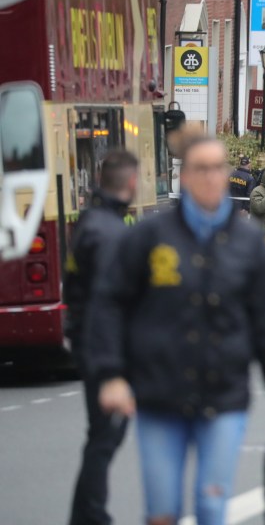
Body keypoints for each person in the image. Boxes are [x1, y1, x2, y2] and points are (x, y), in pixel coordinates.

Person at [86, 137, 265, 525]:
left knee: (210, 504)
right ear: (184, 176)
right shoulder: (150, 236)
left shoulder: (249, 243)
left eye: (216, 168)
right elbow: (110, 303)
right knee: (162, 511)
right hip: (158, 394)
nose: (209, 177)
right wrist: (111, 373)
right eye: (199, 168)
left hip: (223, 396)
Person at [65, 150, 138, 525]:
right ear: (131, 184)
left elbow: (74, 291)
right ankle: (92, 516)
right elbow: (110, 302)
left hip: (87, 343)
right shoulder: (111, 233)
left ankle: (85, 515)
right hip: (106, 352)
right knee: (105, 439)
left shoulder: (88, 223)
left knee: (99, 436)